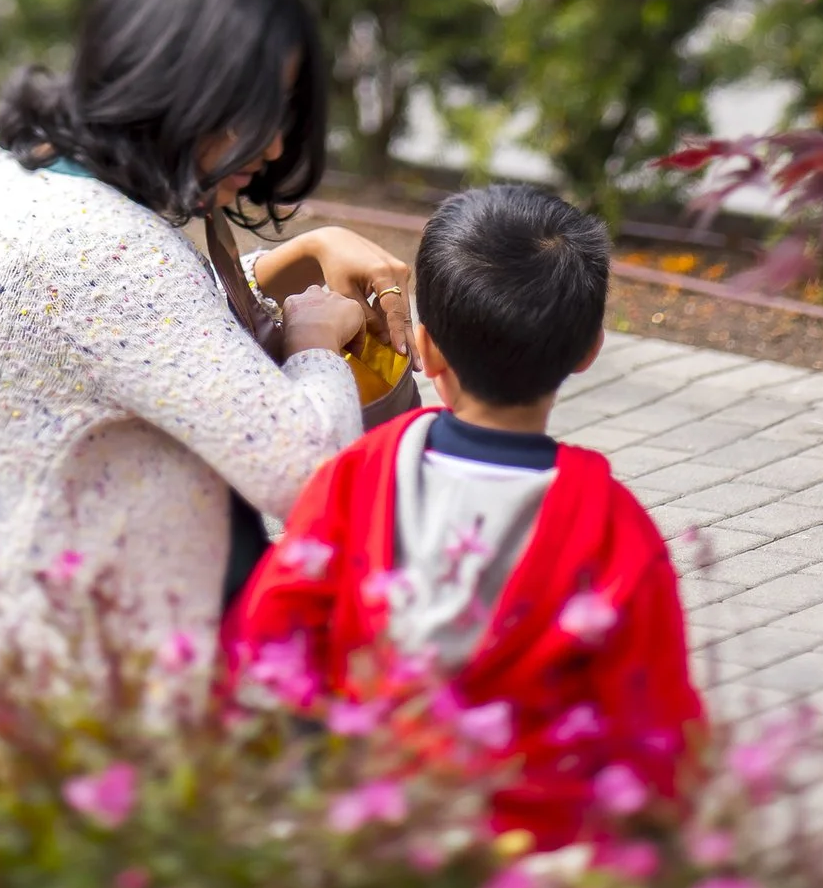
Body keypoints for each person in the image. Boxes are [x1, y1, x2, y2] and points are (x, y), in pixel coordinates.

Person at [0, 0, 418, 640]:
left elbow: (131, 334)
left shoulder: (6, 160)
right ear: (175, 85)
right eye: (253, 114)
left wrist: (286, 263)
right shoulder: (102, 250)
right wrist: (313, 342)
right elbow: (309, 476)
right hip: (26, 677)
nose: (276, 144)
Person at [224, 184, 706, 849]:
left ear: (424, 349)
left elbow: (271, 634)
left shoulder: (356, 478)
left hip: (367, 826)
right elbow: (654, 724)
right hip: (531, 852)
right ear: (589, 351)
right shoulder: (614, 525)